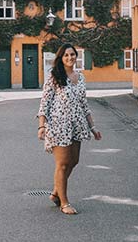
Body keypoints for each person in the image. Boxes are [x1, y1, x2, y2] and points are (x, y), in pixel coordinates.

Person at [36, 44, 102, 215]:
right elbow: (45, 103)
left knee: (74, 161)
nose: (70, 57)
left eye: (72, 54)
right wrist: (41, 126)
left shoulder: (80, 77)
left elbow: (84, 104)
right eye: (66, 55)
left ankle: (56, 192)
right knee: (63, 163)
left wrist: (92, 127)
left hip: (78, 125)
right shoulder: (54, 76)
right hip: (59, 125)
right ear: (61, 58)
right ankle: (64, 202)